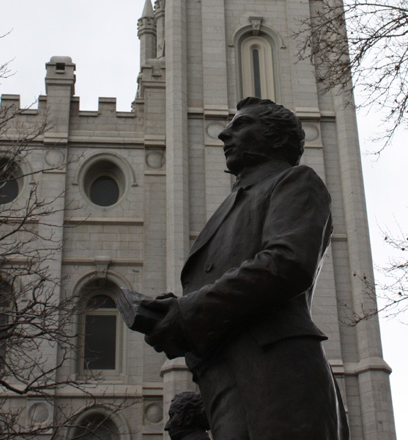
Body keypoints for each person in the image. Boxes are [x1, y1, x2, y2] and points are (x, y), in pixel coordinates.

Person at [144, 97, 350, 440]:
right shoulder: (235, 204)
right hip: (226, 384)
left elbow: (287, 263)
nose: (224, 134)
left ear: (276, 136)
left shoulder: (294, 181)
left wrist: (189, 311)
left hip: (280, 377)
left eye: (240, 125)